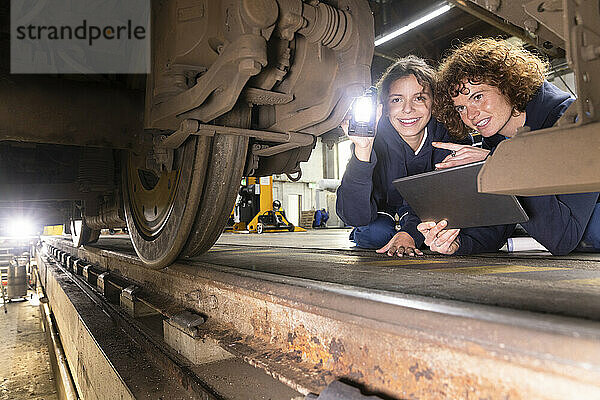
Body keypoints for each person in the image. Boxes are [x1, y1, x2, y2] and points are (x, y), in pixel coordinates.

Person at [417, 38, 600, 256]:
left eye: (478, 97)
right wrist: (457, 243)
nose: (471, 115)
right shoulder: (495, 140)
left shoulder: (575, 122)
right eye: (460, 109)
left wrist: (496, 162)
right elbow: (498, 224)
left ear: (507, 85)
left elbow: (562, 237)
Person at [336, 56, 471, 257]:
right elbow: (353, 215)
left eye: (419, 98)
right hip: (382, 205)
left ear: (434, 102)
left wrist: (410, 233)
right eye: (397, 100)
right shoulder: (370, 136)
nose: (408, 109)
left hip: (426, 210)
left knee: (434, 234)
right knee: (374, 235)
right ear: (383, 107)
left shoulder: (449, 136)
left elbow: (449, 201)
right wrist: (363, 149)